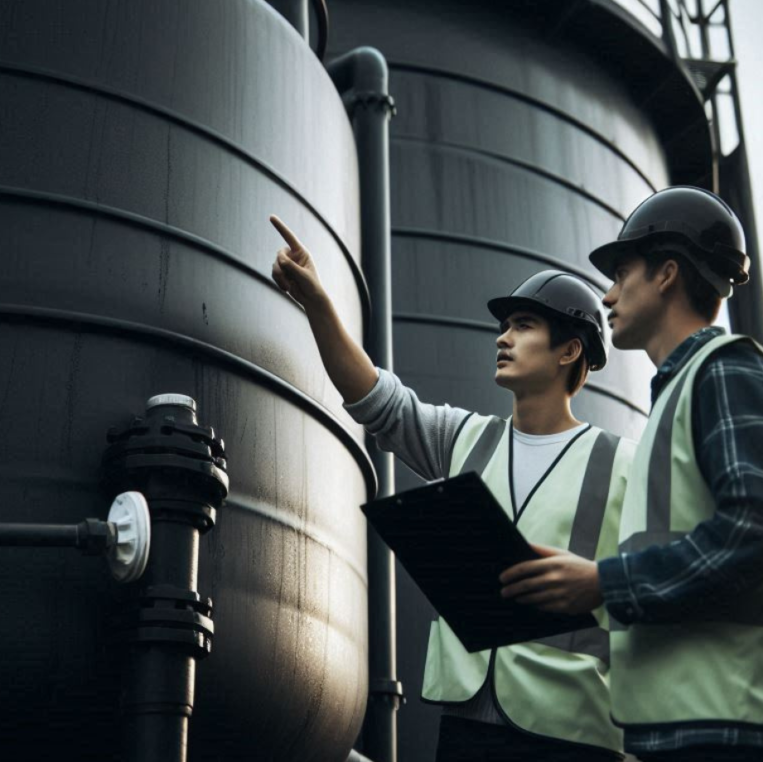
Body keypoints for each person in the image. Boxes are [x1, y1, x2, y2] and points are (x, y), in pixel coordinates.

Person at [500, 186, 763, 762]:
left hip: (749, 727)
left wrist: (604, 582)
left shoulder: (726, 372)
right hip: (705, 720)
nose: (609, 294)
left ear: (667, 274)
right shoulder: (679, 399)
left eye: (622, 274)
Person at [269, 214, 634, 762]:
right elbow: (377, 400)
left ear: (570, 351)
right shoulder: (466, 438)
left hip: (573, 737)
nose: (503, 338)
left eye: (523, 325)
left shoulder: (623, 465)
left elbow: (657, 593)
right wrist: (319, 304)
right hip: (464, 729)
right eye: (504, 326)